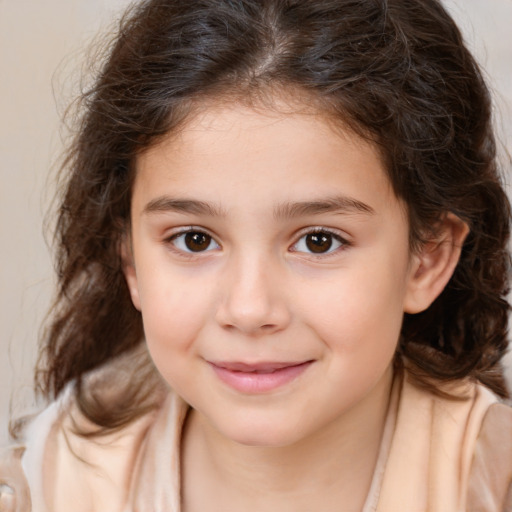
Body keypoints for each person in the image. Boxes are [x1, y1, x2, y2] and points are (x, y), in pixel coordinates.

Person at [1, 0, 512, 510]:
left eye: (318, 240)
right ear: (130, 259)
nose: (248, 310)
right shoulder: (53, 482)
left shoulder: (491, 480)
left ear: (425, 258)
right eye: (194, 239)